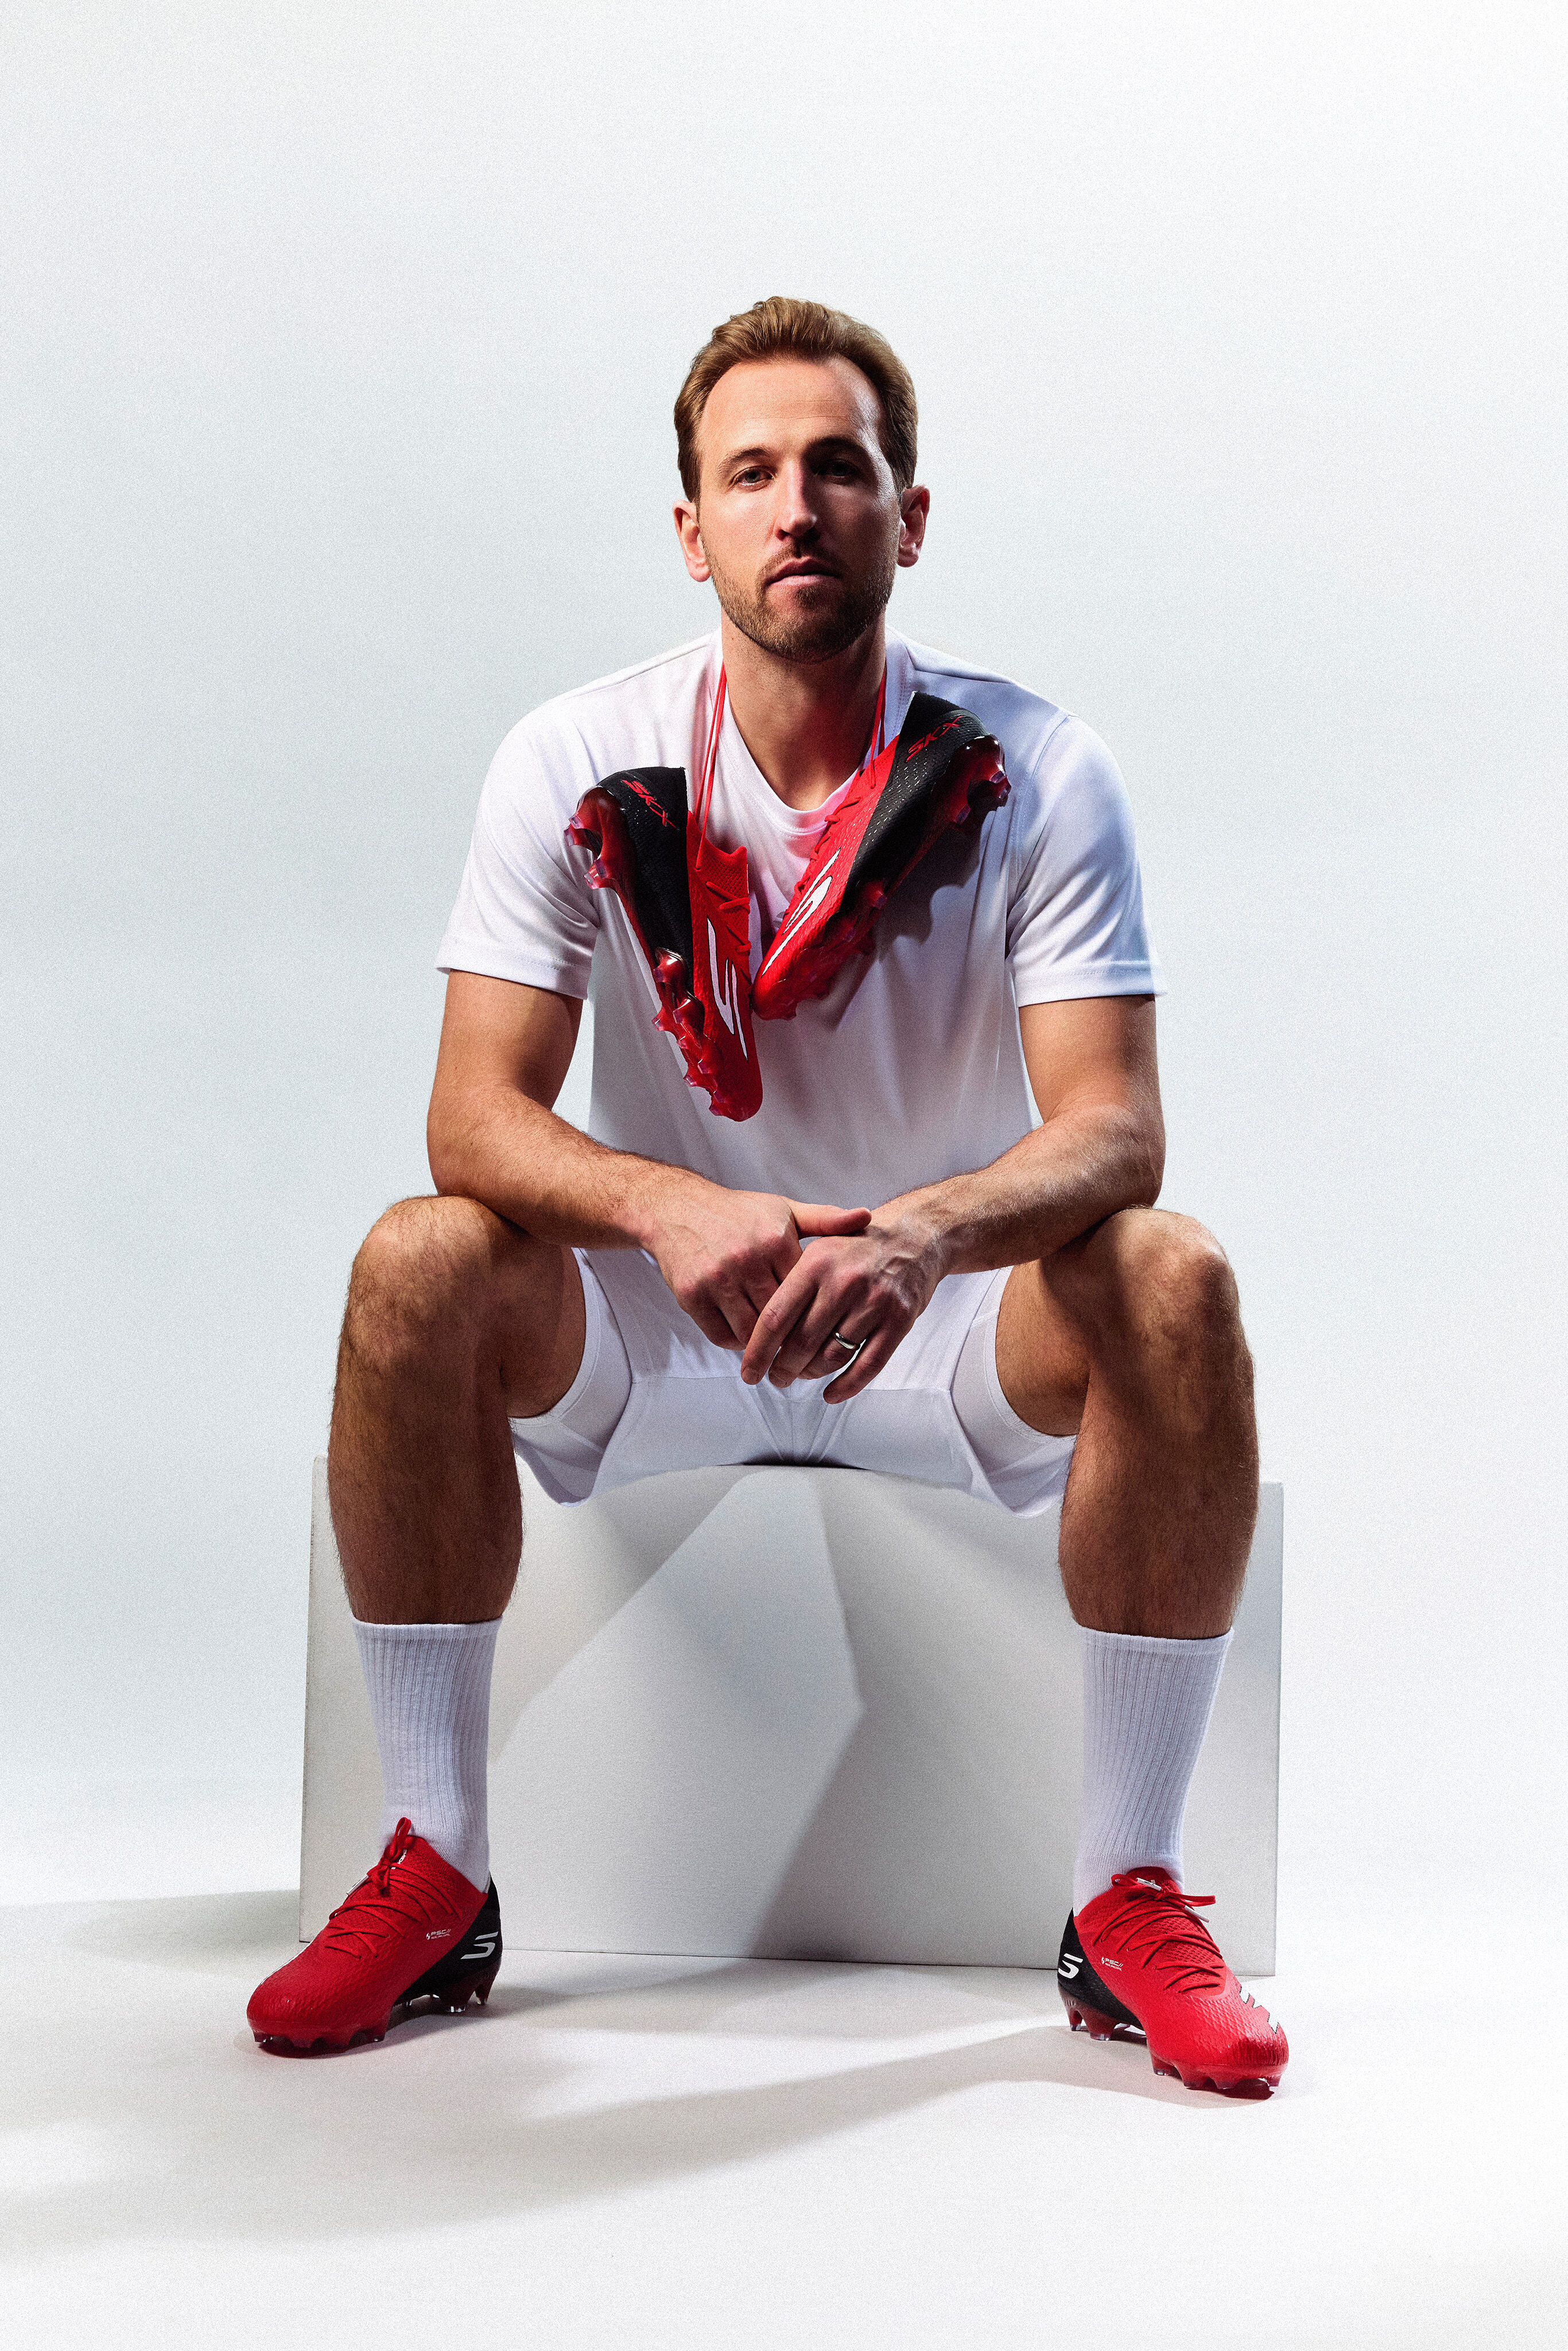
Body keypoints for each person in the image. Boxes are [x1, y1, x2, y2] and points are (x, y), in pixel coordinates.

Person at [248, 297, 1287, 2097]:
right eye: (749, 473)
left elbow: (1115, 1131)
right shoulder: (576, 753)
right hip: (666, 1329)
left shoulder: (1039, 764)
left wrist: (921, 1234)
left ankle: (1125, 1895)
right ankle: (434, 1869)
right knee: (416, 1261)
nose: (794, 505)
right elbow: (470, 1118)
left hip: (933, 1331)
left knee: (1169, 1274)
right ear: (691, 529)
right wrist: (666, 1207)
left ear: (910, 514)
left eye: (837, 468)